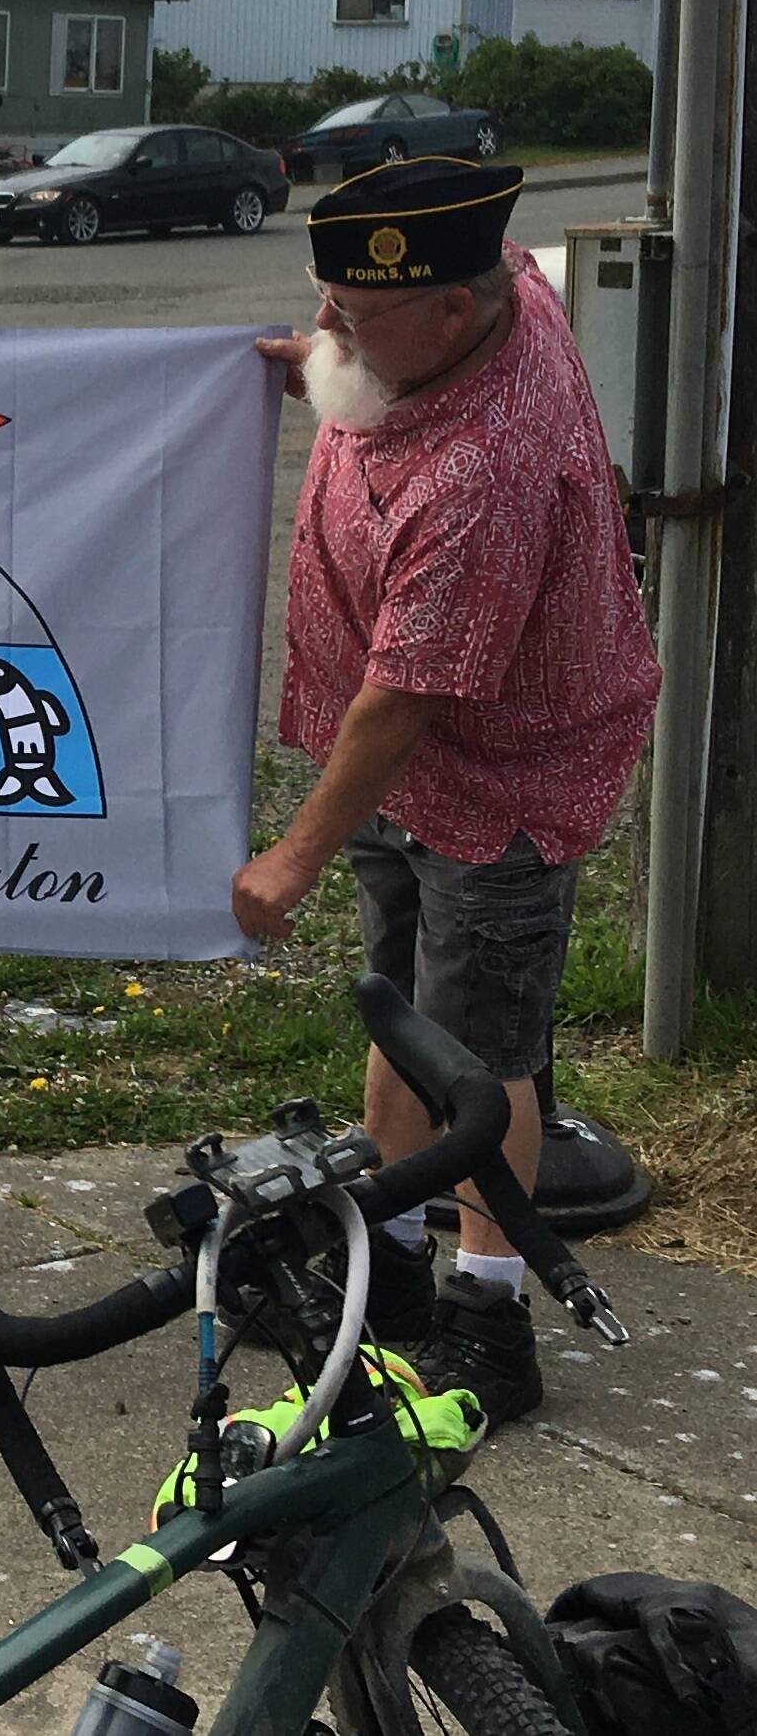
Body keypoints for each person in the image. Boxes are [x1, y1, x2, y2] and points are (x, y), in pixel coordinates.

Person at [238, 158, 660, 1423]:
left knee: (481, 1059)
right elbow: (410, 301)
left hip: (499, 775)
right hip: (407, 762)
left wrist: (291, 857)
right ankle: (397, 1262)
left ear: (455, 315)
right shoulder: (493, 290)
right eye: (325, 302)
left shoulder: (482, 467)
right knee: (399, 1015)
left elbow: (408, 695)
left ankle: (489, 1317)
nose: (329, 332)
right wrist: (321, 350)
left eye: (351, 319)